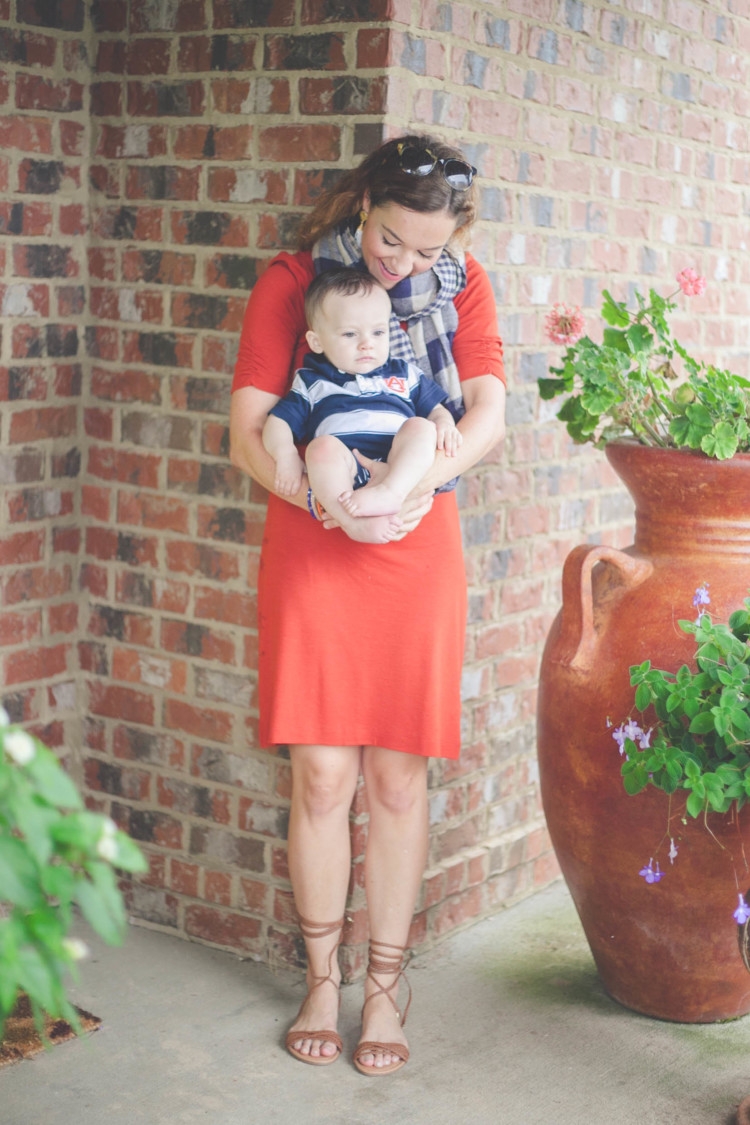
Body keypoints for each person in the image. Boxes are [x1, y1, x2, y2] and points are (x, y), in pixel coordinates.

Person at [230, 134, 506, 1075]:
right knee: (321, 777)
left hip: (416, 546)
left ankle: (384, 987)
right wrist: (328, 502)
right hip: (317, 540)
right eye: (393, 240)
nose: (407, 264)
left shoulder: (461, 286)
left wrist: (416, 488)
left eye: (428, 250)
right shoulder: (296, 283)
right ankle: (319, 979)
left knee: (394, 779)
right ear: (363, 208)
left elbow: (485, 416)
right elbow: (248, 435)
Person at [261, 267, 463, 539]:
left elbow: (436, 410)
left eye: (378, 333)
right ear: (317, 341)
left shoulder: (404, 373)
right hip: (345, 473)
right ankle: (351, 522)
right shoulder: (313, 381)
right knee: (320, 449)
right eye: (350, 334)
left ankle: (391, 492)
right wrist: (285, 454)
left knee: (421, 427)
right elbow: (278, 423)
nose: (367, 344)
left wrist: (445, 423)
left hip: (397, 465)